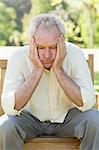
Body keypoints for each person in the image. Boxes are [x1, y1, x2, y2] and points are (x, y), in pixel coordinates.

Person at [0, 13, 98, 150]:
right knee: (5, 126)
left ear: (62, 41)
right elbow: (9, 108)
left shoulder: (75, 54)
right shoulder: (18, 57)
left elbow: (87, 103)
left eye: (53, 47)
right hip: (30, 119)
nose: (47, 55)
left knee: (96, 120)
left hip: (68, 118)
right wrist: (36, 71)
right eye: (40, 48)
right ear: (32, 42)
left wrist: (58, 69)